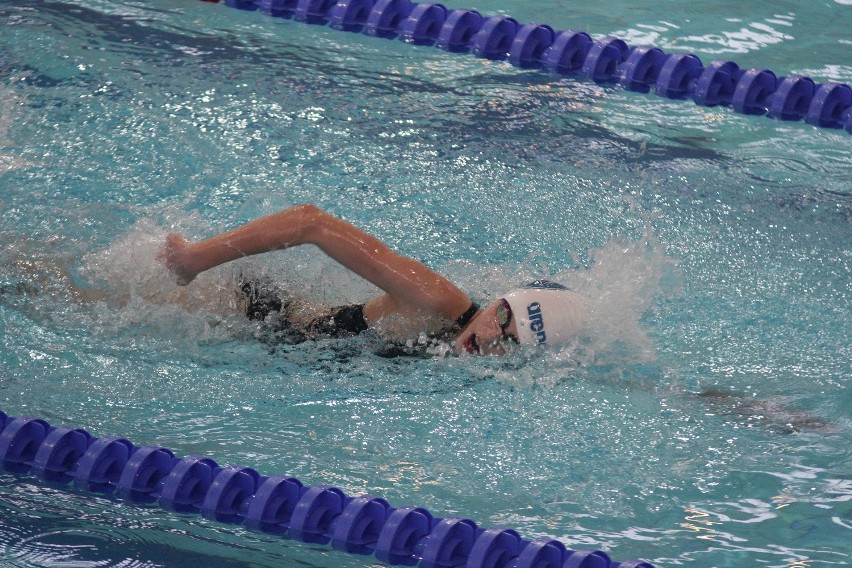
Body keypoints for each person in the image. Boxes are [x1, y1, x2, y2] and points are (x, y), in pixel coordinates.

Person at [158, 204, 587, 355]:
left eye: (511, 342)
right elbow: (311, 223)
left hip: (268, 340)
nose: (493, 336)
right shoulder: (436, 301)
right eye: (504, 315)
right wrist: (194, 259)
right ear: (498, 300)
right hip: (250, 312)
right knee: (94, 304)